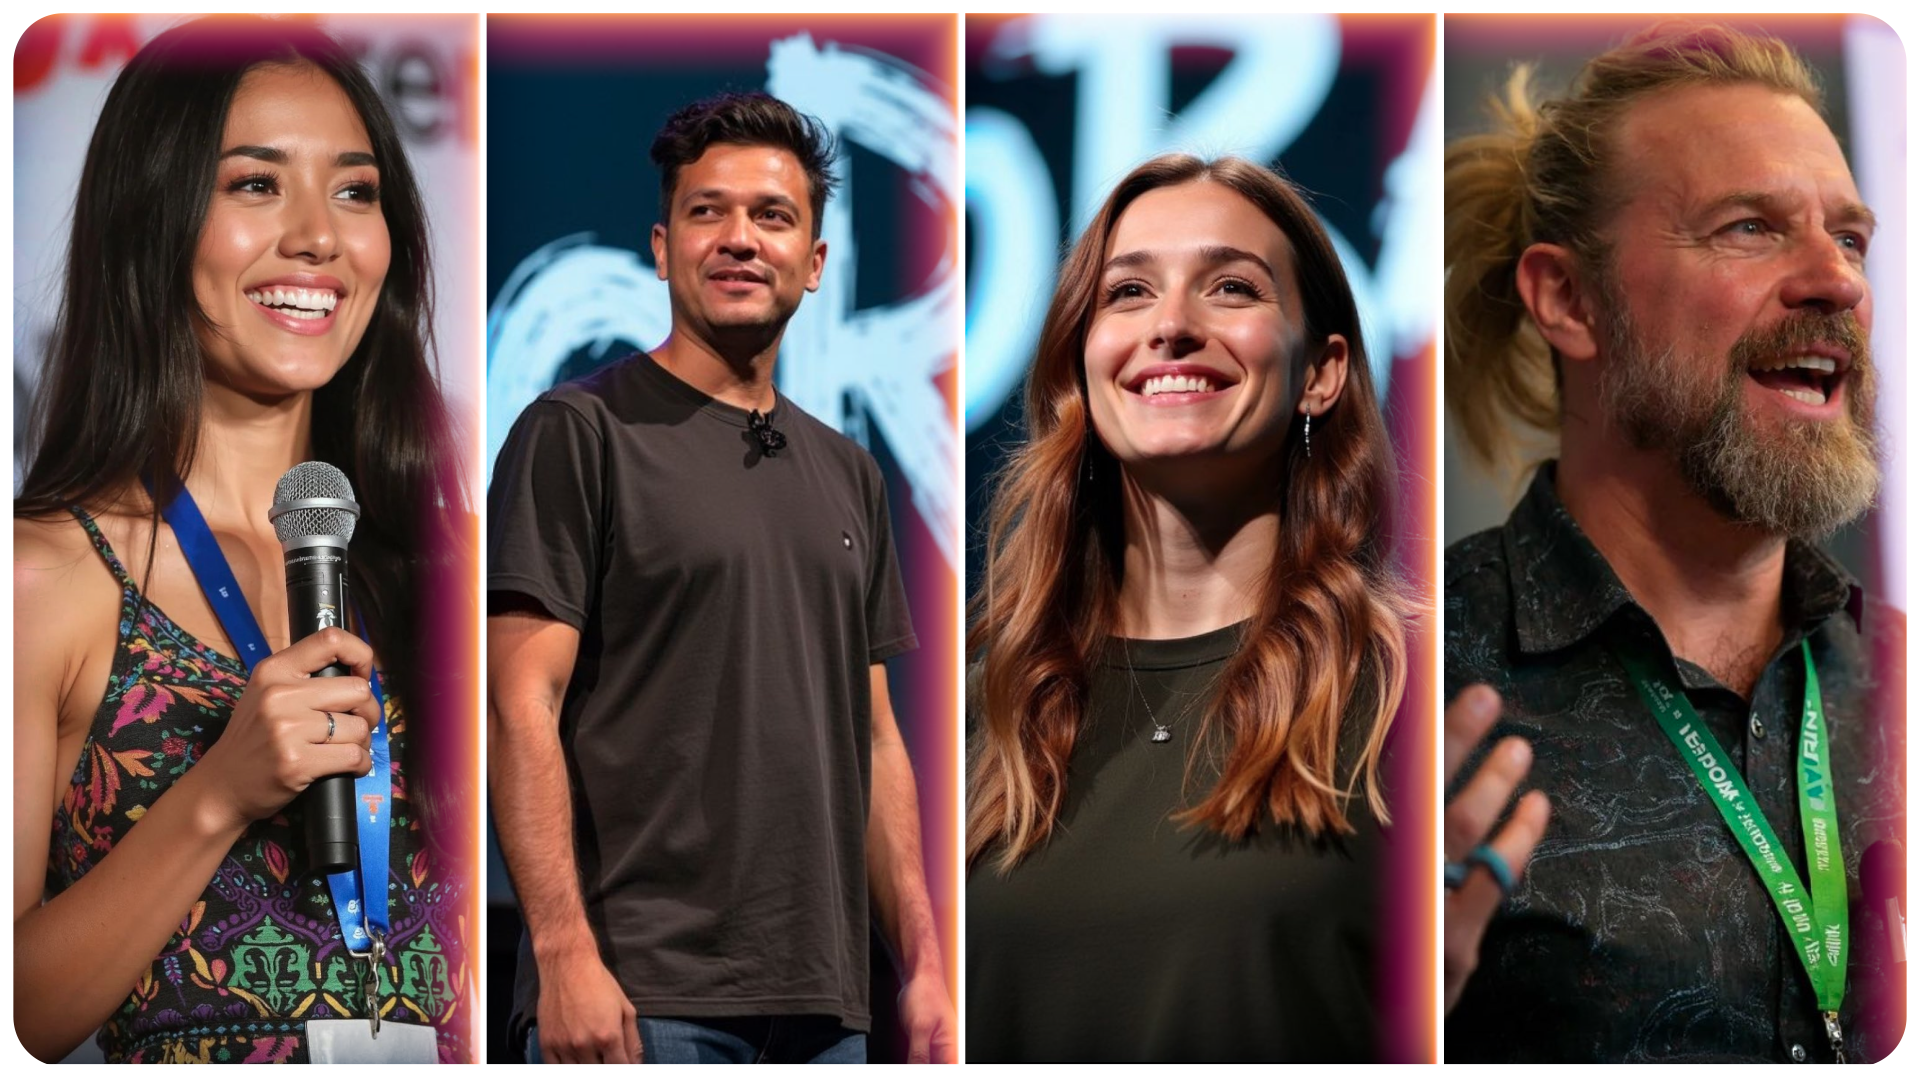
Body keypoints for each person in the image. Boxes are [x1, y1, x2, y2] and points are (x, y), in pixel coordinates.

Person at [12, 16, 474, 1065]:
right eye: (256, 185)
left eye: (356, 191)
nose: (319, 235)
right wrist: (218, 794)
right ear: (155, 220)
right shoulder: (49, 573)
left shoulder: (455, 569)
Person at [1439, 22, 1903, 1062]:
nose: (1837, 281)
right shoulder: (1390, 691)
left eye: (1851, 237)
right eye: (1749, 228)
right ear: (1568, 298)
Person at [484, 91, 956, 1066]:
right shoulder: (577, 434)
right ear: (661, 248)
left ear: (815, 263)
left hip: (828, 1011)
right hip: (643, 999)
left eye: (772, 216)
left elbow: (874, 739)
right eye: (709, 211)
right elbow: (519, 704)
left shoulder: (847, 471)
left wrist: (924, 967)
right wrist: (563, 954)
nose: (740, 238)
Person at [962, 154, 1418, 1062]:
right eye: (1128, 292)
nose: (1171, 325)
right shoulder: (986, 708)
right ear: (1080, 368)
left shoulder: (1412, 687)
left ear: (1321, 373)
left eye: (1232, 287)